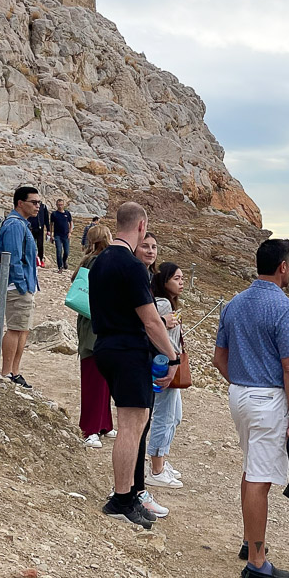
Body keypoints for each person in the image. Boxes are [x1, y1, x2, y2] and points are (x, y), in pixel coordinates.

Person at [214, 238, 289, 578]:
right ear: (283, 266)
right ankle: (256, 559)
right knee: (259, 476)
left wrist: (241, 381)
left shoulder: (234, 304)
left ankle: (248, 540)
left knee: (252, 467)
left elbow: (218, 358)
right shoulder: (283, 307)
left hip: (239, 394)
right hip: (266, 399)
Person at [90, 201, 178, 529]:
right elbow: (152, 321)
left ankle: (126, 494)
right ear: (141, 226)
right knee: (130, 425)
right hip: (128, 350)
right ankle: (122, 497)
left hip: (106, 345)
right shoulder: (131, 265)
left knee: (135, 422)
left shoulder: (100, 261)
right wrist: (173, 356)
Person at [132, 232, 176, 519]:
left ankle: (136, 488)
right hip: (141, 358)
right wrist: (162, 322)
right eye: (145, 246)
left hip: (148, 357)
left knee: (143, 425)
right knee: (138, 426)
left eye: (154, 247)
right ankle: (135, 490)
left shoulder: (145, 276)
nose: (150, 251)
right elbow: (140, 318)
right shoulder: (137, 278)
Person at [145, 261, 188, 489]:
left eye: (182, 278)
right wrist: (172, 360)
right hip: (164, 366)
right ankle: (156, 468)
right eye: (176, 279)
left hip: (171, 363)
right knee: (165, 415)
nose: (181, 283)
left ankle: (161, 459)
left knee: (176, 415)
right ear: (164, 281)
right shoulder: (161, 305)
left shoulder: (167, 305)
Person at [0, 187, 42, 389]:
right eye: (33, 202)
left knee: (22, 329)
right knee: (15, 329)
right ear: (20, 203)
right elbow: (13, 258)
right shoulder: (15, 225)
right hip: (17, 287)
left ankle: (15, 371)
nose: (37, 206)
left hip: (23, 286)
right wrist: (22, 285)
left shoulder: (22, 224)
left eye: (39, 203)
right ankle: (7, 372)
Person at [73, 224, 114, 448]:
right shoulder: (99, 262)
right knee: (94, 377)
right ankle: (89, 428)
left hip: (92, 323)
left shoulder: (88, 260)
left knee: (103, 377)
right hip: (94, 326)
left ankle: (103, 423)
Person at [51, 198, 74, 272]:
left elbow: (71, 223)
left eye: (61, 205)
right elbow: (51, 224)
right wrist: (51, 234)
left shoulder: (67, 213)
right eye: (58, 205)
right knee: (59, 251)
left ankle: (64, 261)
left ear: (63, 205)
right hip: (57, 235)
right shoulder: (54, 214)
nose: (60, 206)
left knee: (67, 252)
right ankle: (60, 267)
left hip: (66, 235)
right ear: (56, 205)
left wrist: (70, 232)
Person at [28, 196, 51, 267]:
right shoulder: (30, 206)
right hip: (31, 228)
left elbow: (46, 218)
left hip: (40, 229)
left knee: (40, 245)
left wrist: (48, 230)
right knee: (30, 244)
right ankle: (31, 259)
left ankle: (41, 260)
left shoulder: (43, 207)